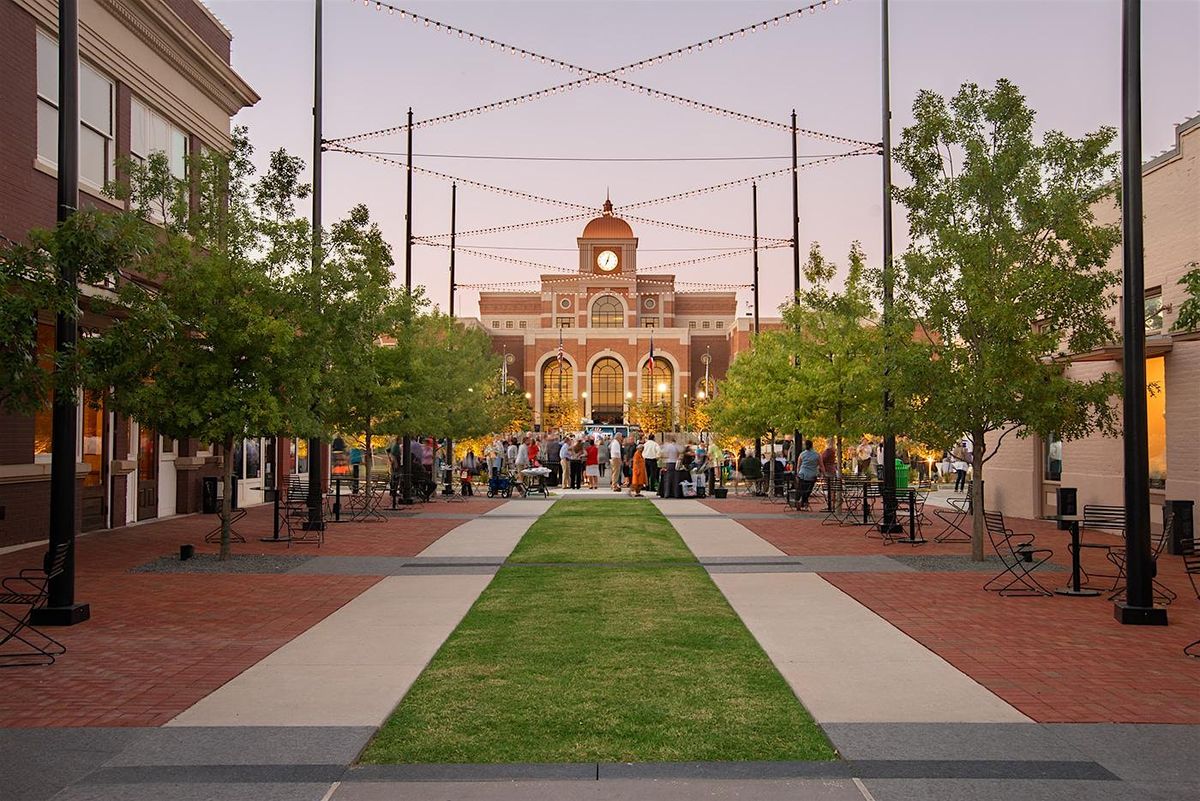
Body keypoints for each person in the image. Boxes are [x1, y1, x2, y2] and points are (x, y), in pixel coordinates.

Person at [797, 439, 820, 510]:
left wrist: (798, 473)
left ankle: (801, 501)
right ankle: (804, 503)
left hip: (802, 474)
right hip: (812, 475)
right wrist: (823, 473)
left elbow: (798, 465)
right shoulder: (817, 455)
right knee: (808, 490)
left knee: (802, 489)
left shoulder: (802, 454)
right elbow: (821, 465)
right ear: (812, 446)